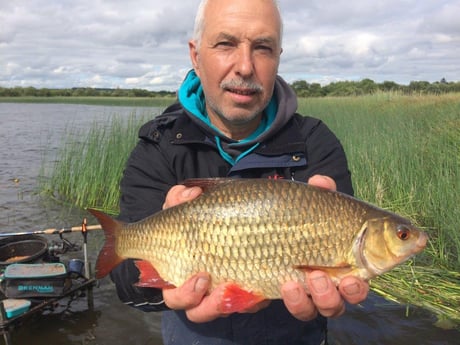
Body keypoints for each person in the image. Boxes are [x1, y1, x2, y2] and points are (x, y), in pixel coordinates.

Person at [110, 0, 369, 344]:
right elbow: (126, 279)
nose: (245, 66)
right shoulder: (158, 146)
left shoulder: (315, 142)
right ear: (195, 55)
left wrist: (328, 295)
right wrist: (164, 294)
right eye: (226, 44)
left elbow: (340, 277)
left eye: (263, 47)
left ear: (278, 57)